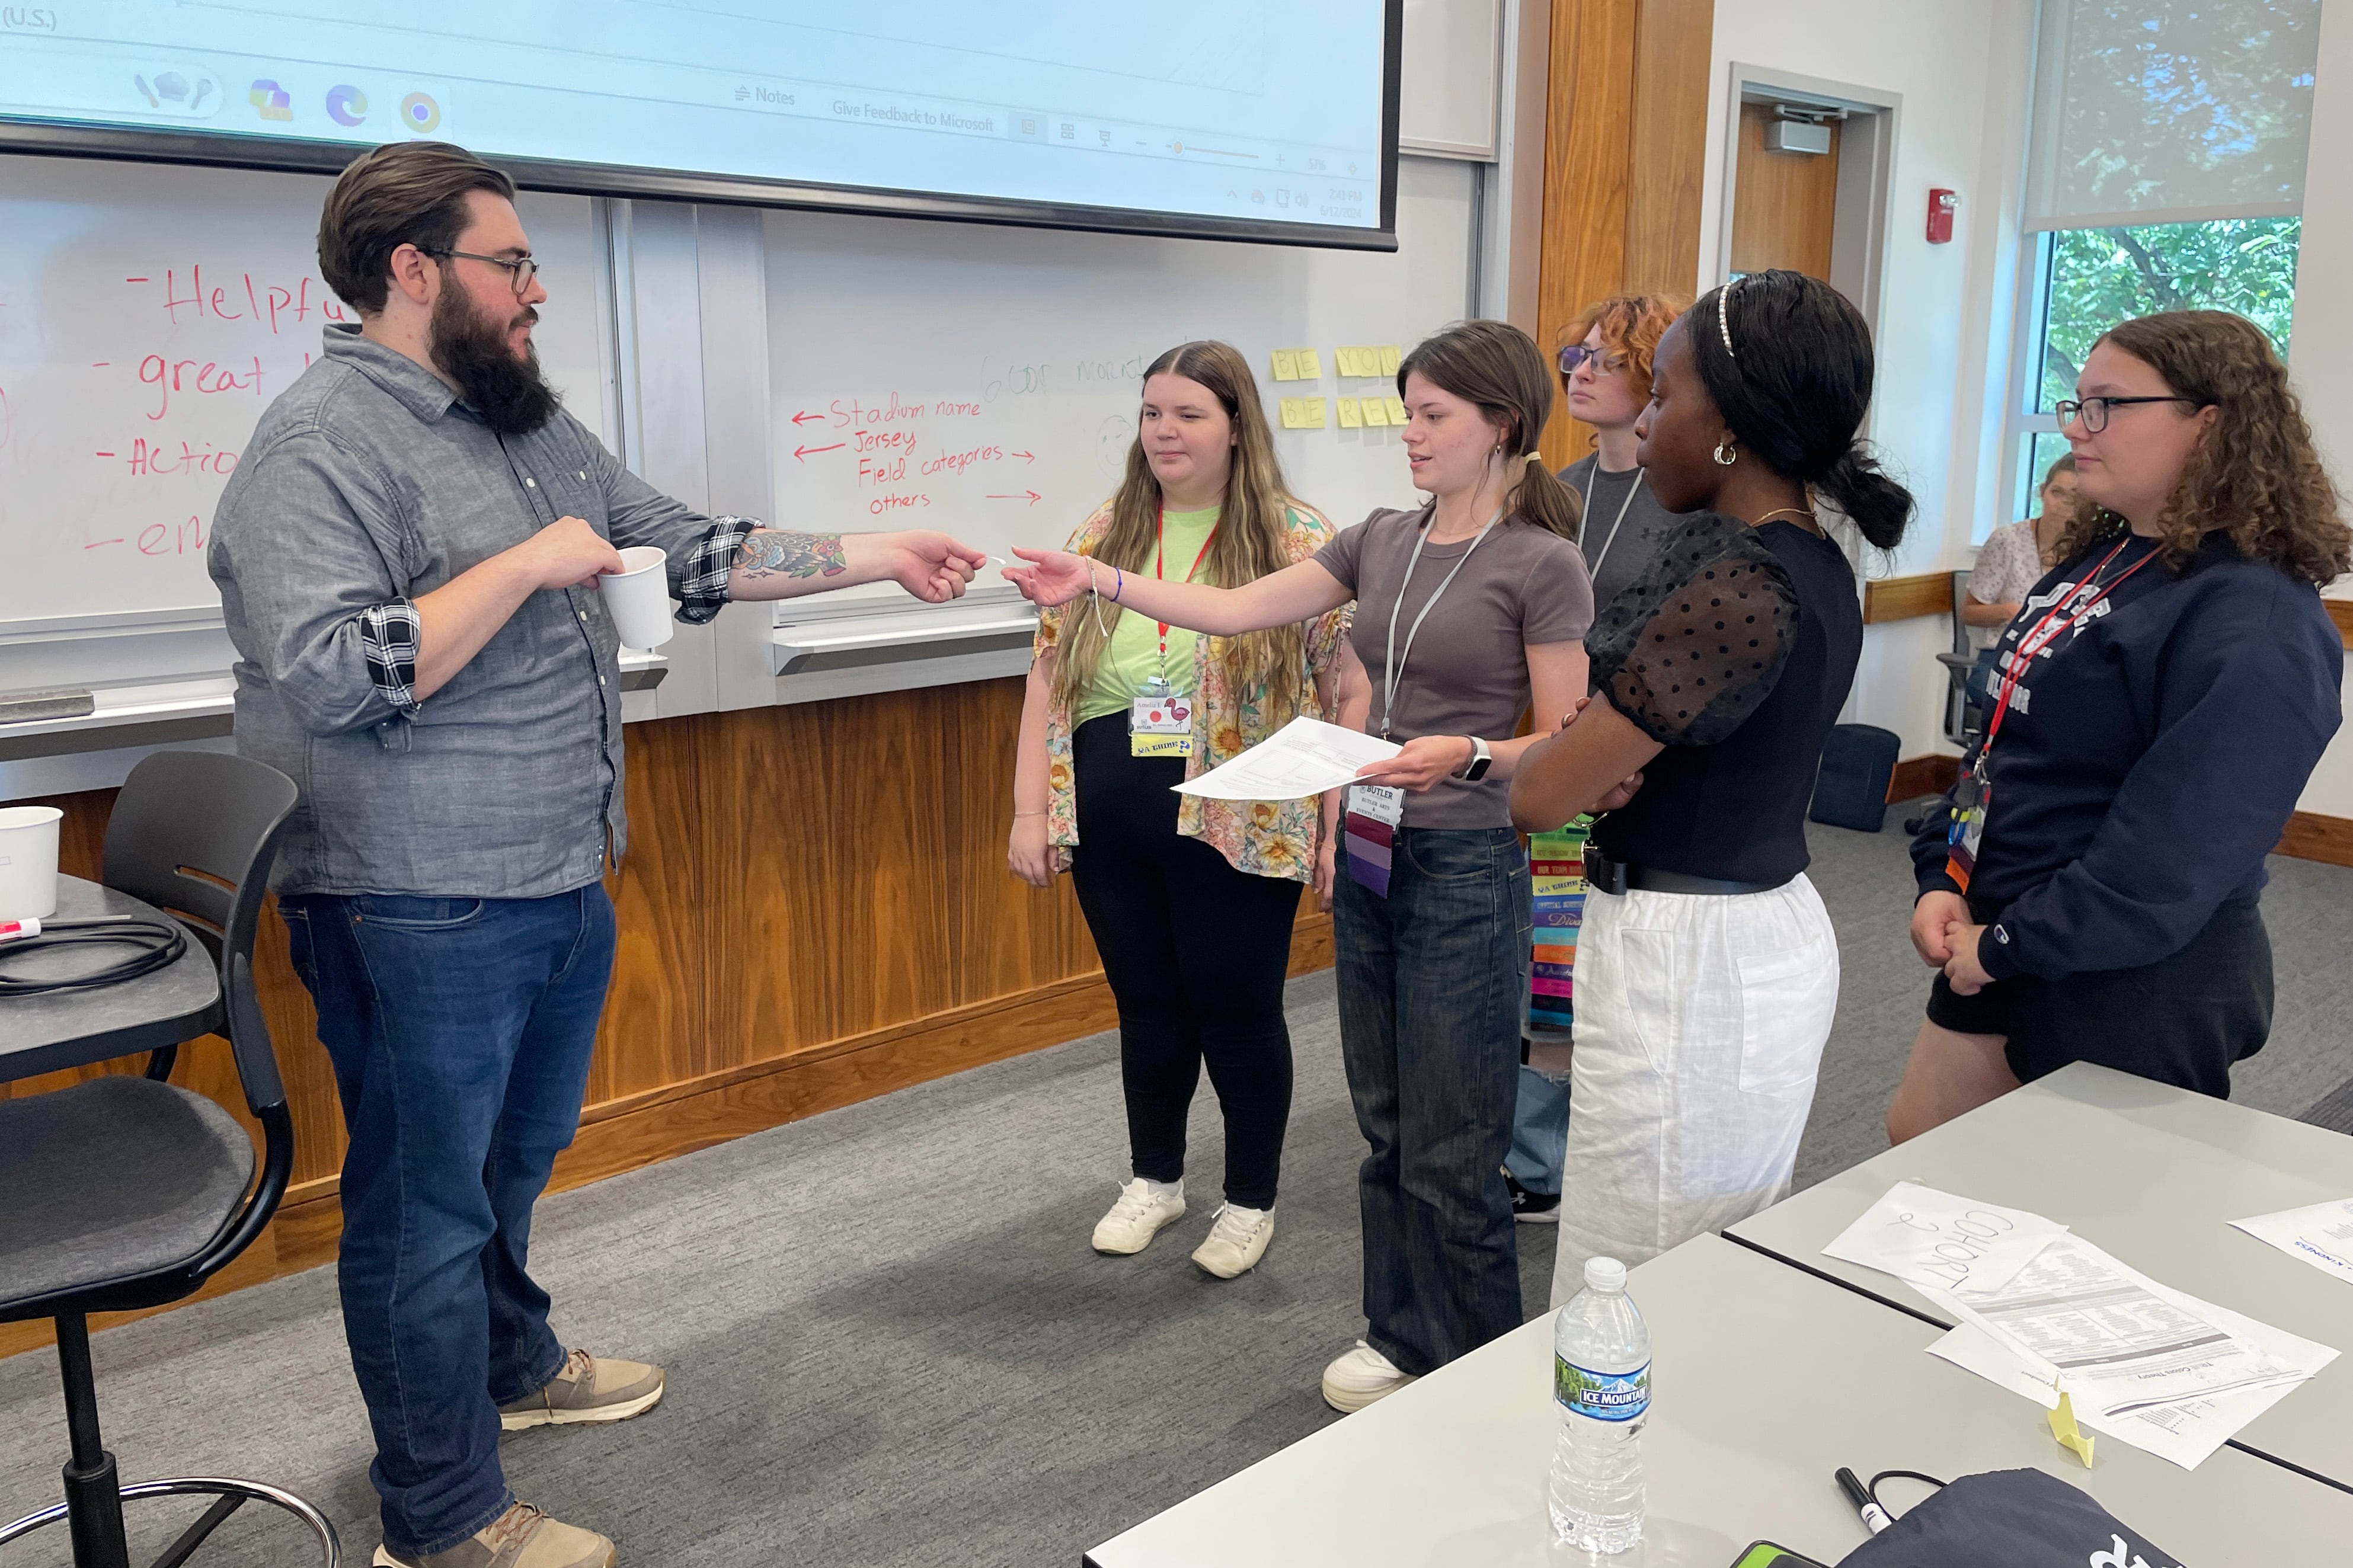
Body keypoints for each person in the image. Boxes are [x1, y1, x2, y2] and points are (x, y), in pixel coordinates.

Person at [209, 142, 983, 1568]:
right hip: (414, 899)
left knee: (511, 1163)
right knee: (421, 1206)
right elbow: (330, 674)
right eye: (514, 264)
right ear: (414, 270)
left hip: (555, 870)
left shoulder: (519, 424)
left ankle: (513, 1368)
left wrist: (879, 551)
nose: (537, 292)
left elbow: (678, 548)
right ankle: (440, 1519)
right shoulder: (318, 443)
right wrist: (516, 568)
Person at [1006, 319, 1591, 1410]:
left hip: (1467, 862)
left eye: (1433, 416)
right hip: (1377, 849)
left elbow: (1569, 743)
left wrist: (1470, 751)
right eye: (1406, 412)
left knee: (1454, 1139)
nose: (1408, 434)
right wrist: (1094, 571)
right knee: (1387, 1125)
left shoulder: (1540, 561)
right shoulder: (1380, 539)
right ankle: (1402, 1335)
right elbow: (1232, 611)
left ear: (1501, 426)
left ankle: (1476, 1366)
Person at [1505, 269, 1916, 1304]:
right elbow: (1604, 753)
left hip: (1691, 963)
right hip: (1731, 933)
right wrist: (1603, 753)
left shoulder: (1739, 587)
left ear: (1727, 424)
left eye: (1662, 398)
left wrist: (1591, 757)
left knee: (1631, 1278)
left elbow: (1541, 797)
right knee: (1691, 1257)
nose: (1643, 425)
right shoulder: (1804, 558)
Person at [1888, 310, 2346, 1142]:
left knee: (2064, 1238)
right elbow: (1996, 747)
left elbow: (2168, 859)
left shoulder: (2255, 619)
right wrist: (1942, 872)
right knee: (1918, 1158)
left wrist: (2005, 942)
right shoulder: (2106, 559)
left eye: (2105, 405)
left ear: (2207, 422)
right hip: (2002, 926)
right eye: (2074, 402)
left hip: (2129, 971)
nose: (2075, 427)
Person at [1008, 340, 1350, 1279]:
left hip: (1240, 815)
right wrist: (1028, 812)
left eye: (1188, 413)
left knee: (1236, 1009)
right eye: (1152, 412)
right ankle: (1155, 1178)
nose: (1164, 430)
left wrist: (1335, 822)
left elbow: (1346, 687)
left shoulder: (1295, 538)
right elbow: (1047, 676)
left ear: (1236, 426)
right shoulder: (1105, 530)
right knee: (1146, 1003)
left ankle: (1249, 1200)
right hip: (1112, 806)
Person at [1507, 290, 1690, 1225]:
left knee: (1599, 978)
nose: (1575, 370)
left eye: (1602, 359)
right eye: (1571, 353)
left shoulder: (1682, 498)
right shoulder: (1552, 490)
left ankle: (1597, 1147)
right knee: (1544, 970)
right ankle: (1535, 1156)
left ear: (1656, 377)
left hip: (1638, 765)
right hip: (1551, 755)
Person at [1961, 455, 2079, 716]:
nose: (2065, 505)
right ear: (2042, 492)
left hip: (2057, 663)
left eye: (2075, 497)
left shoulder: (2089, 550)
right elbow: (1969, 613)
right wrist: (2010, 613)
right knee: (2037, 706)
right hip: (2001, 658)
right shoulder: (2008, 540)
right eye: (2057, 493)